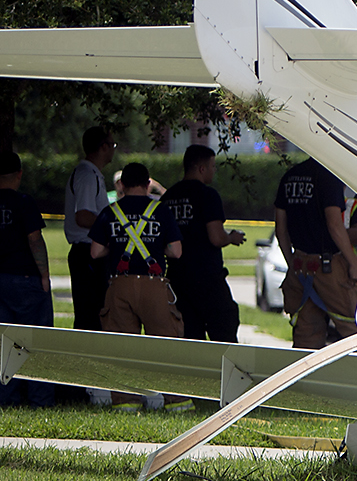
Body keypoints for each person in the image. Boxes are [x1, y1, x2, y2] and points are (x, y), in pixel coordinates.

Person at [161, 145, 247, 342]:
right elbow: (216, 237)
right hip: (207, 278)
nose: (214, 170)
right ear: (201, 168)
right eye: (212, 166)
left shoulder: (168, 198)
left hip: (178, 279)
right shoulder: (208, 195)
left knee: (189, 336)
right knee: (224, 329)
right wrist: (231, 238)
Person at [273, 157, 357, 349]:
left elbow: (281, 229)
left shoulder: (290, 176)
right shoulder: (328, 176)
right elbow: (334, 224)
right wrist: (353, 264)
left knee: (306, 337)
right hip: (328, 268)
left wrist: (292, 263)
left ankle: (306, 378)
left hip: (300, 267)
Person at [89, 162, 184, 337]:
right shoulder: (161, 211)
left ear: (122, 184)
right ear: (148, 184)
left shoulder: (110, 212)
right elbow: (175, 251)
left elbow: (95, 252)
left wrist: (117, 245)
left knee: (122, 346)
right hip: (154, 284)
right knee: (163, 344)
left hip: (120, 284)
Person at [0, 152, 55, 407]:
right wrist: (44, 275)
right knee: (36, 342)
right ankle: (39, 399)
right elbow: (35, 240)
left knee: (4, 344)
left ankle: (6, 397)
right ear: (19, 174)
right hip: (25, 279)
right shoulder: (24, 202)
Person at [63, 126, 115, 330]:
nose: (113, 149)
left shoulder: (92, 174)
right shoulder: (87, 174)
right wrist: (112, 226)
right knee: (91, 313)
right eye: (112, 145)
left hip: (89, 252)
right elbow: (83, 216)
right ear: (103, 147)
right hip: (87, 252)